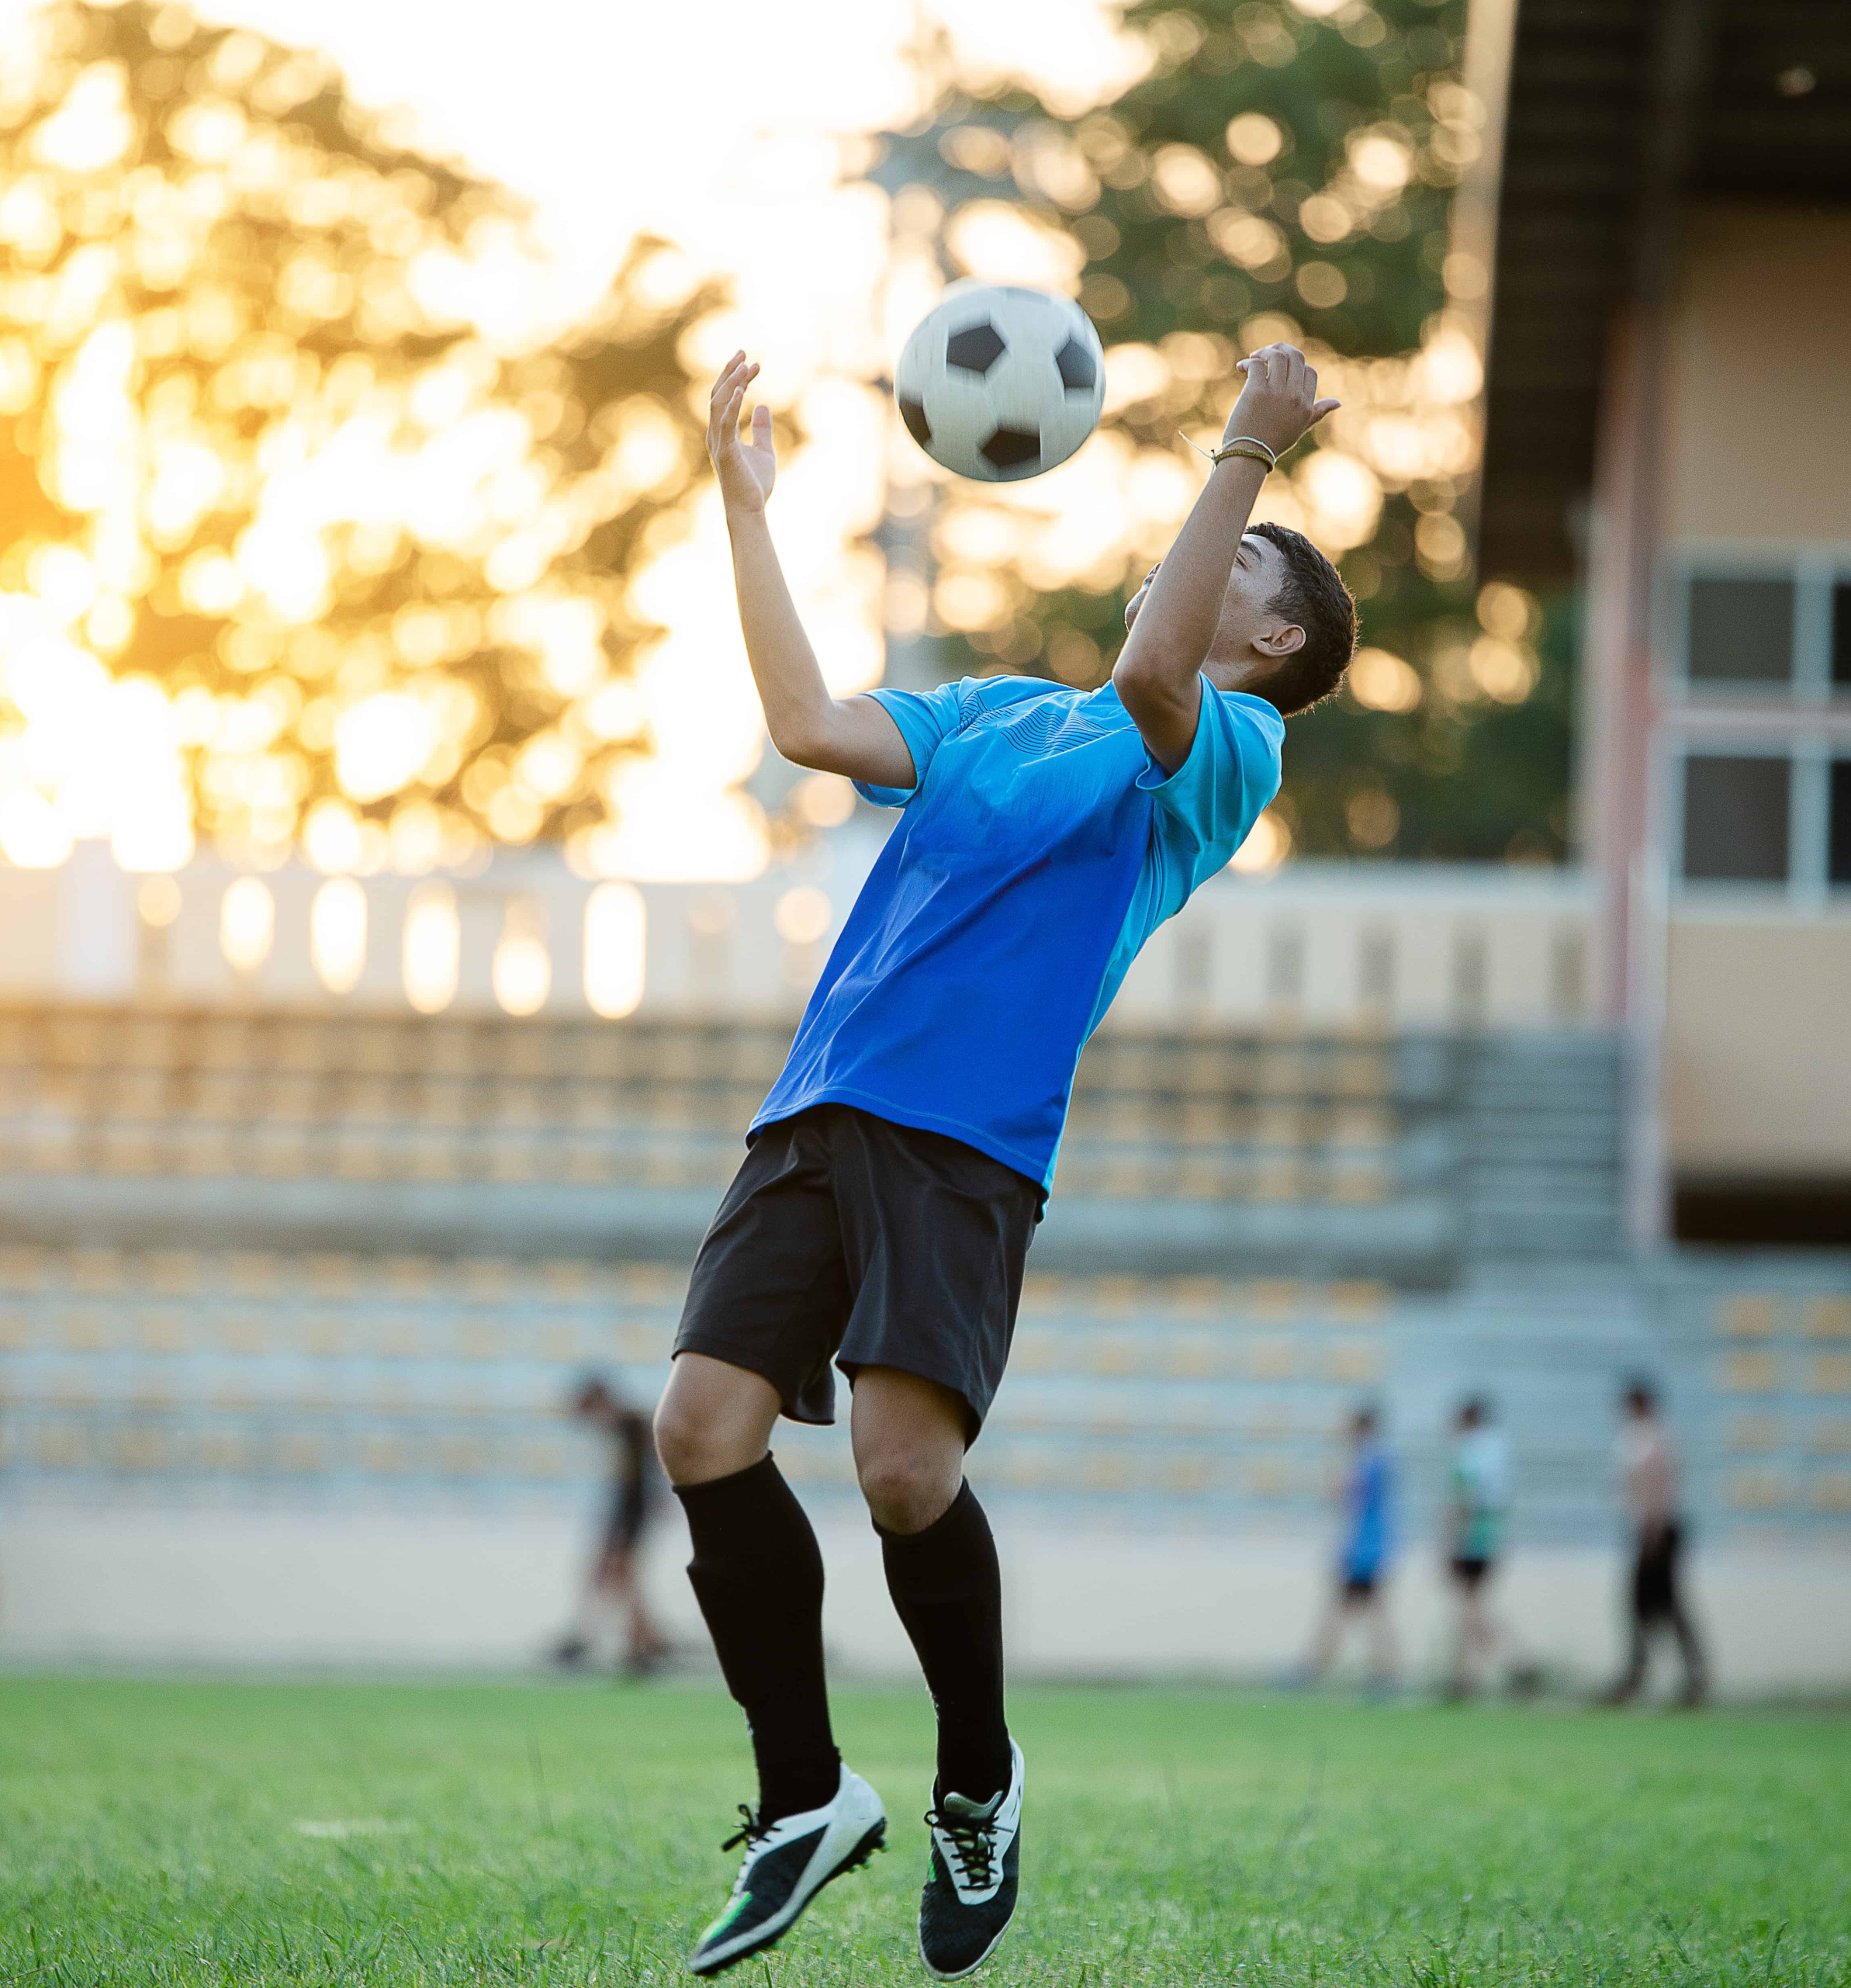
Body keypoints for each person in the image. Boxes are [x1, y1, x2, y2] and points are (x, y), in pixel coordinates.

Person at [659, 341, 1349, 1978]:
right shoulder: (990, 714)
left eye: (1240, 556)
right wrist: (743, 507)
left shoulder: (1224, 750)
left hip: (970, 1142)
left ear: (1275, 640)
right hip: (818, 1105)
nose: (1210, 549)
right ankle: (803, 1799)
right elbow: (811, 723)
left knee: (905, 1478)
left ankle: (980, 1780)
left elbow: (1159, 670)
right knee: (700, 1428)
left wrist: (1247, 454)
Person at [553, 1374, 674, 1675]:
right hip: (631, 1513)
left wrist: (618, 1529)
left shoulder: (626, 1428)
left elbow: (632, 1484)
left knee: (618, 1576)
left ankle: (638, 1642)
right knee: (621, 1577)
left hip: (630, 1514)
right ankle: (645, 1641)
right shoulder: (629, 1427)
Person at [1602, 1377, 1707, 1706]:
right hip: (1646, 1530)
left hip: (1657, 1532)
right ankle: (1650, 1674)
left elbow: (1660, 1490)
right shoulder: (1637, 1438)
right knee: (1653, 1607)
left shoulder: (1654, 1438)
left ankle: (1667, 1676)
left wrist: (1652, 1535)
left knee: (1661, 1606)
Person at [1298, 1404, 1397, 1691]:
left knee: (1349, 1610)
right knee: (1364, 1611)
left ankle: (1316, 1666)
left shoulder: (1366, 1460)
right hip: (1371, 1547)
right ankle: (1381, 1671)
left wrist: (1333, 1467)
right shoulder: (1379, 1458)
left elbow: (1341, 1494)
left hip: (1362, 1550)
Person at [1442, 1394, 1507, 1699]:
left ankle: (1514, 1662)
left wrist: (1454, 1541)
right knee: (1471, 1607)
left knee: (1472, 1608)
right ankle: (1466, 1674)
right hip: (1490, 1537)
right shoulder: (1498, 1449)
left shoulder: (1471, 1452)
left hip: (1472, 1540)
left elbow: (1464, 1500)